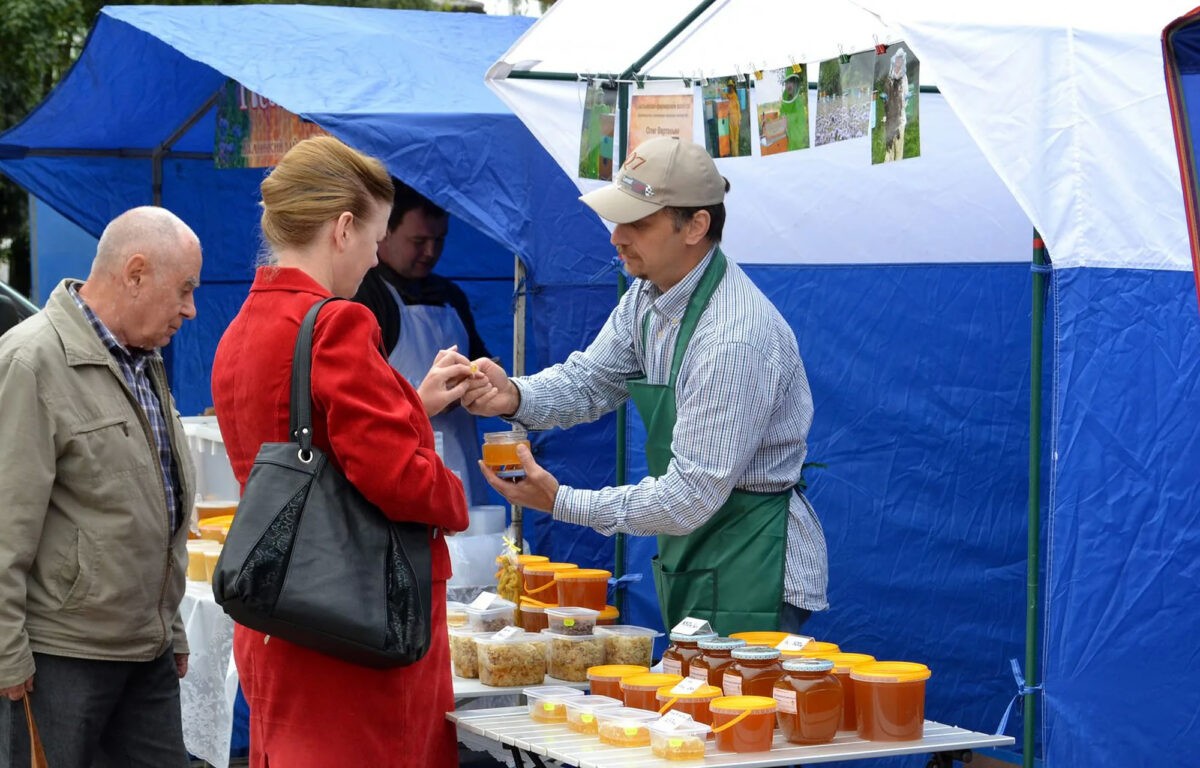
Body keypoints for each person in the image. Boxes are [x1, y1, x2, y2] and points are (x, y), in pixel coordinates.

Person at [465, 137, 828, 634]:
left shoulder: (734, 336)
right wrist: (515, 395)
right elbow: (590, 380)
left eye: (637, 222)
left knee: (742, 710)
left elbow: (688, 498)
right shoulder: (647, 296)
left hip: (754, 560)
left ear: (696, 226)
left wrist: (561, 500)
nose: (616, 237)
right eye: (617, 220)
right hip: (697, 549)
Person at [210, 135, 472, 767]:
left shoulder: (241, 329)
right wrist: (455, 494)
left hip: (280, 606)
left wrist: (411, 404)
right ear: (343, 228)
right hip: (359, 619)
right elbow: (396, 479)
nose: (375, 261)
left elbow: (316, 436)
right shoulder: (338, 323)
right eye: (377, 240)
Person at [0, 206, 202, 766]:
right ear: (135, 273)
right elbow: (4, 529)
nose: (191, 308)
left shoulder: (144, 360)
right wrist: (6, 655)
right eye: (184, 289)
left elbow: (155, 503)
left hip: (148, 651)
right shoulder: (31, 361)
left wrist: (173, 625)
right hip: (61, 658)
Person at [354, 180, 492, 504]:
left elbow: (482, 359)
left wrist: (481, 377)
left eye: (439, 240)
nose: (430, 252)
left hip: (462, 464)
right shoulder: (365, 296)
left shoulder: (450, 295)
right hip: (403, 467)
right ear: (384, 232)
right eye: (418, 241)